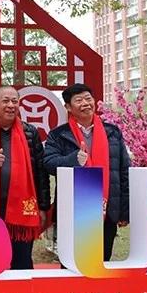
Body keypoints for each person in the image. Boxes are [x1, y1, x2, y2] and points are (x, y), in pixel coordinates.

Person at [43, 83, 130, 261]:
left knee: (101, 261)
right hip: (73, 209)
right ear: (68, 107)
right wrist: (73, 160)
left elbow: (124, 171)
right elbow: (49, 164)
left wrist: (124, 210)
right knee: (72, 263)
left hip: (107, 208)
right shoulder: (58, 135)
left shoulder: (112, 132)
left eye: (88, 99)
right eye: (79, 100)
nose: (85, 103)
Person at [0, 85, 50, 270]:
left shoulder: (30, 132)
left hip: (22, 208)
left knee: (22, 262)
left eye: (15, 101)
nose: (11, 105)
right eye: (5, 101)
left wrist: (43, 206)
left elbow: (40, 171)